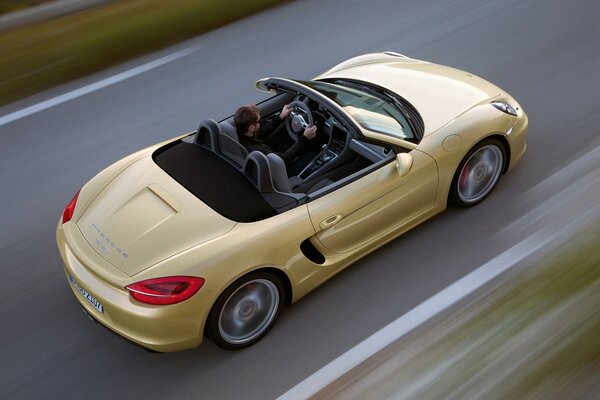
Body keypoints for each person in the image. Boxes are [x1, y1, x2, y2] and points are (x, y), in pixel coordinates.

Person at [234, 104, 317, 174]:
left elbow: (261, 134)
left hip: (268, 159)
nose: (261, 121)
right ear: (252, 127)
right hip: (280, 169)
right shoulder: (255, 149)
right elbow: (283, 160)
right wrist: (305, 138)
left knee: (284, 135)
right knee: (314, 154)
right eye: (259, 121)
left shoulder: (241, 134)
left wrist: (281, 117)